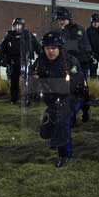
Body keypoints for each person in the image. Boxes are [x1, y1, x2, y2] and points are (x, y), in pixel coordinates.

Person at [33, 31, 88, 168]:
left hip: (74, 96)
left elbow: (75, 83)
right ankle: (56, 139)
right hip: (53, 98)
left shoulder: (70, 61)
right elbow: (35, 79)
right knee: (48, 125)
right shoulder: (40, 61)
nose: (50, 51)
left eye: (53, 48)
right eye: (47, 48)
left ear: (59, 48)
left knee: (61, 118)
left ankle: (65, 155)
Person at [54, 6, 92, 123]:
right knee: (68, 90)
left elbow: (74, 46)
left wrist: (59, 47)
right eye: (59, 19)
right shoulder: (61, 31)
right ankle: (72, 116)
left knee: (82, 89)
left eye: (62, 19)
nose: (60, 21)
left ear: (68, 18)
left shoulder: (77, 29)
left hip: (81, 63)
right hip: (68, 64)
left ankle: (86, 110)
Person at [0, 18, 41, 104]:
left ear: (22, 26)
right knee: (14, 82)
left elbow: (37, 46)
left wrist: (41, 57)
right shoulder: (9, 36)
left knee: (27, 82)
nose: (17, 27)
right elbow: (2, 49)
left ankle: (27, 99)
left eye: (19, 25)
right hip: (14, 62)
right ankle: (14, 99)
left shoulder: (28, 35)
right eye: (15, 26)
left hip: (26, 62)